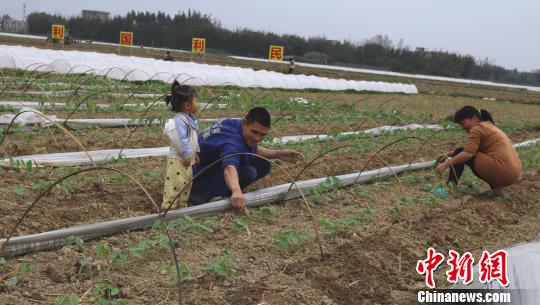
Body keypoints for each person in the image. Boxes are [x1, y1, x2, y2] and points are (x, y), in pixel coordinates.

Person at [189, 107, 303, 208]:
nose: (257, 138)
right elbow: (229, 167)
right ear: (245, 123)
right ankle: (209, 195)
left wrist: (279, 154)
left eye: (262, 134)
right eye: (255, 132)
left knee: (263, 165)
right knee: (249, 172)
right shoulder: (232, 142)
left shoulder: (235, 124)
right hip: (197, 178)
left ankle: (223, 188)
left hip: (207, 165)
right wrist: (236, 190)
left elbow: (247, 150)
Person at [436, 106, 522, 198]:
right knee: (459, 152)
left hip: (502, 171)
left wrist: (446, 164)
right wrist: (450, 154)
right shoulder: (489, 126)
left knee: (460, 152)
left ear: (474, 118)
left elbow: (468, 154)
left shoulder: (477, 128)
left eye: (463, 123)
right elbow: (475, 150)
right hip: (513, 173)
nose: (462, 127)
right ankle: (498, 190)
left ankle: (450, 188)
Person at [162, 81, 199, 209]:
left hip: (187, 160)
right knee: (174, 184)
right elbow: (180, 139)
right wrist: (187, 154)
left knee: (186, 183)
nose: (198, 104)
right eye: (196, 101)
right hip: (178, 160)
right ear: (188, 105)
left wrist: (196, 152)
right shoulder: (178, 121)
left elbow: (193, 137)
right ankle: (169, 207)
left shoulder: (190, 119)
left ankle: (181, 206)